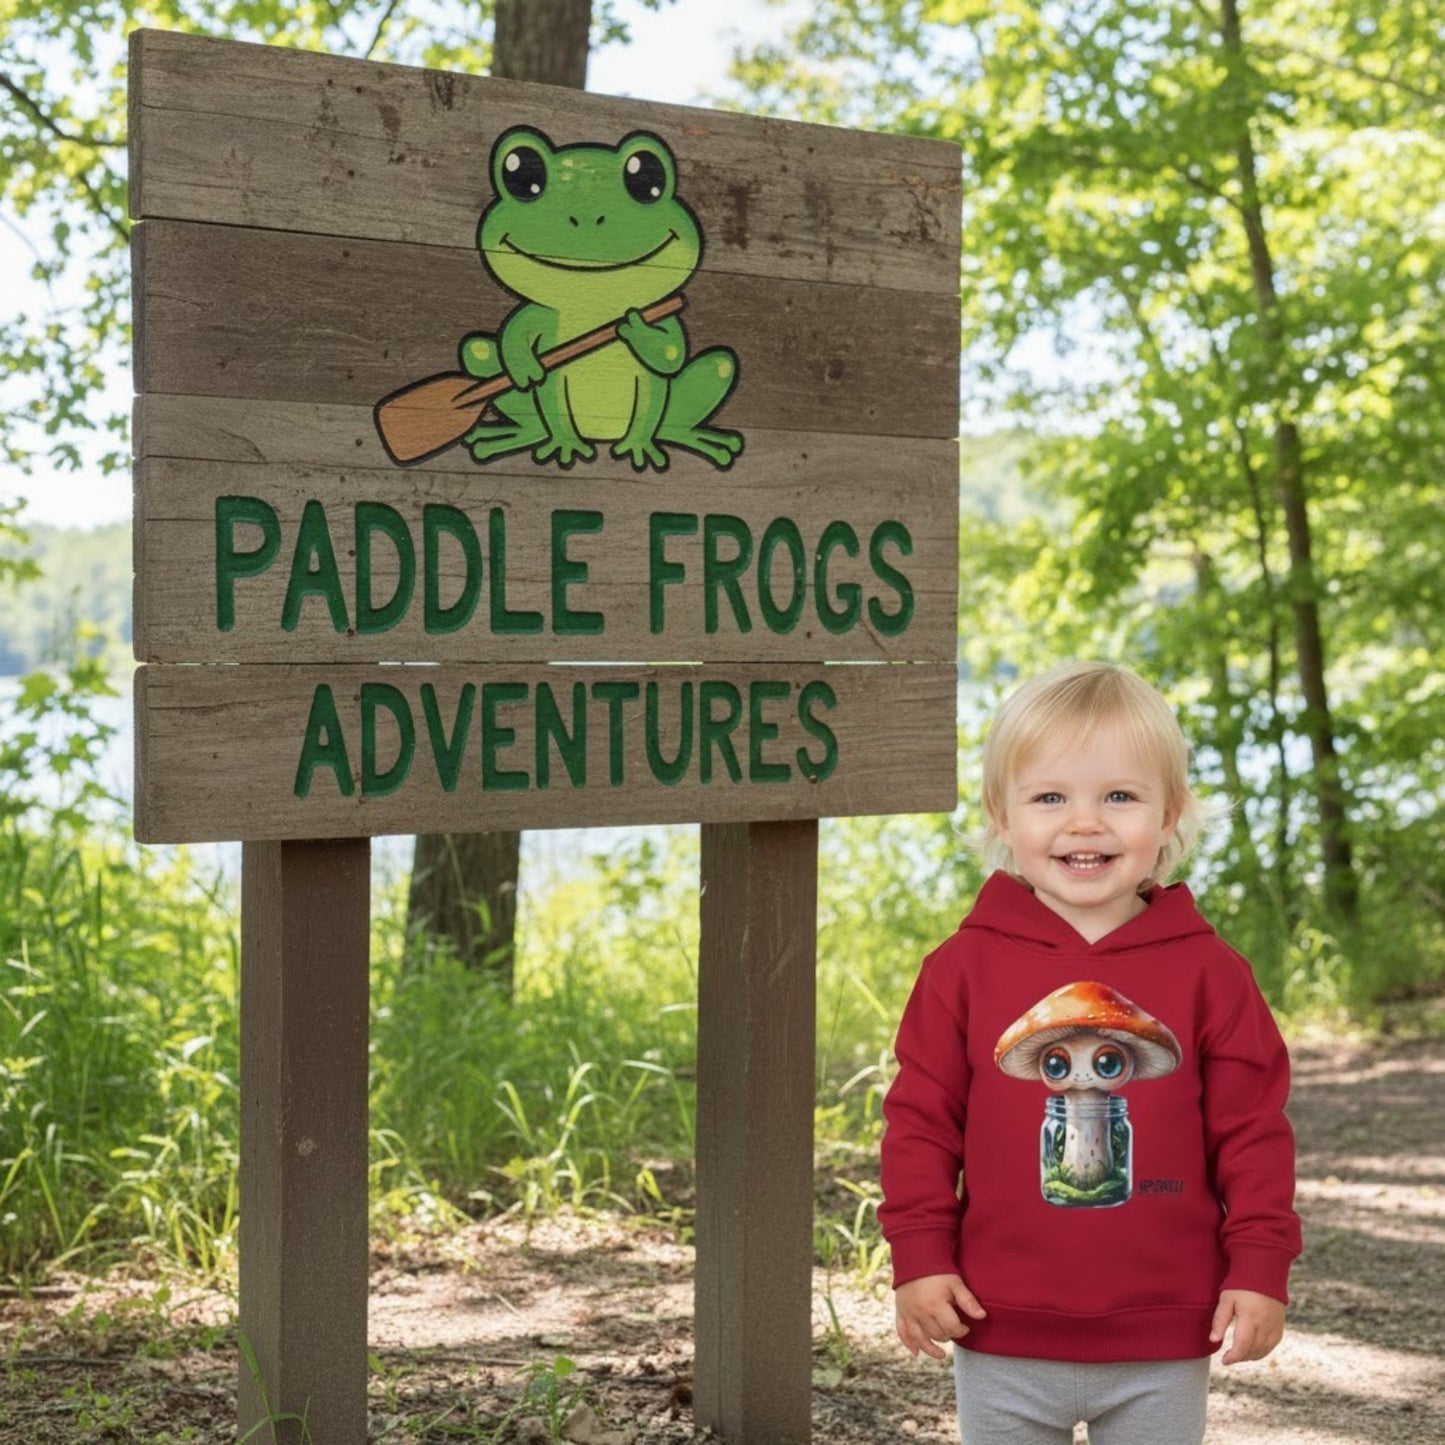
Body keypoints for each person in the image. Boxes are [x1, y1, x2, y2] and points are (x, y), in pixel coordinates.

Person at [879, 661, 1301, 1445]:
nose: (1084, 823)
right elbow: (921, 1124)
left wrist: (1258, 1265)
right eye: (1049, 797)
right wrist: (918, 1254)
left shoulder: (1211, 973)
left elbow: (1251, 1131)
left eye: (1118, 795)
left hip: (1164, 1334)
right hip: (997, 1323)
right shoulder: (960, 969)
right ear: (1000, 815)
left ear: (1168, 812)